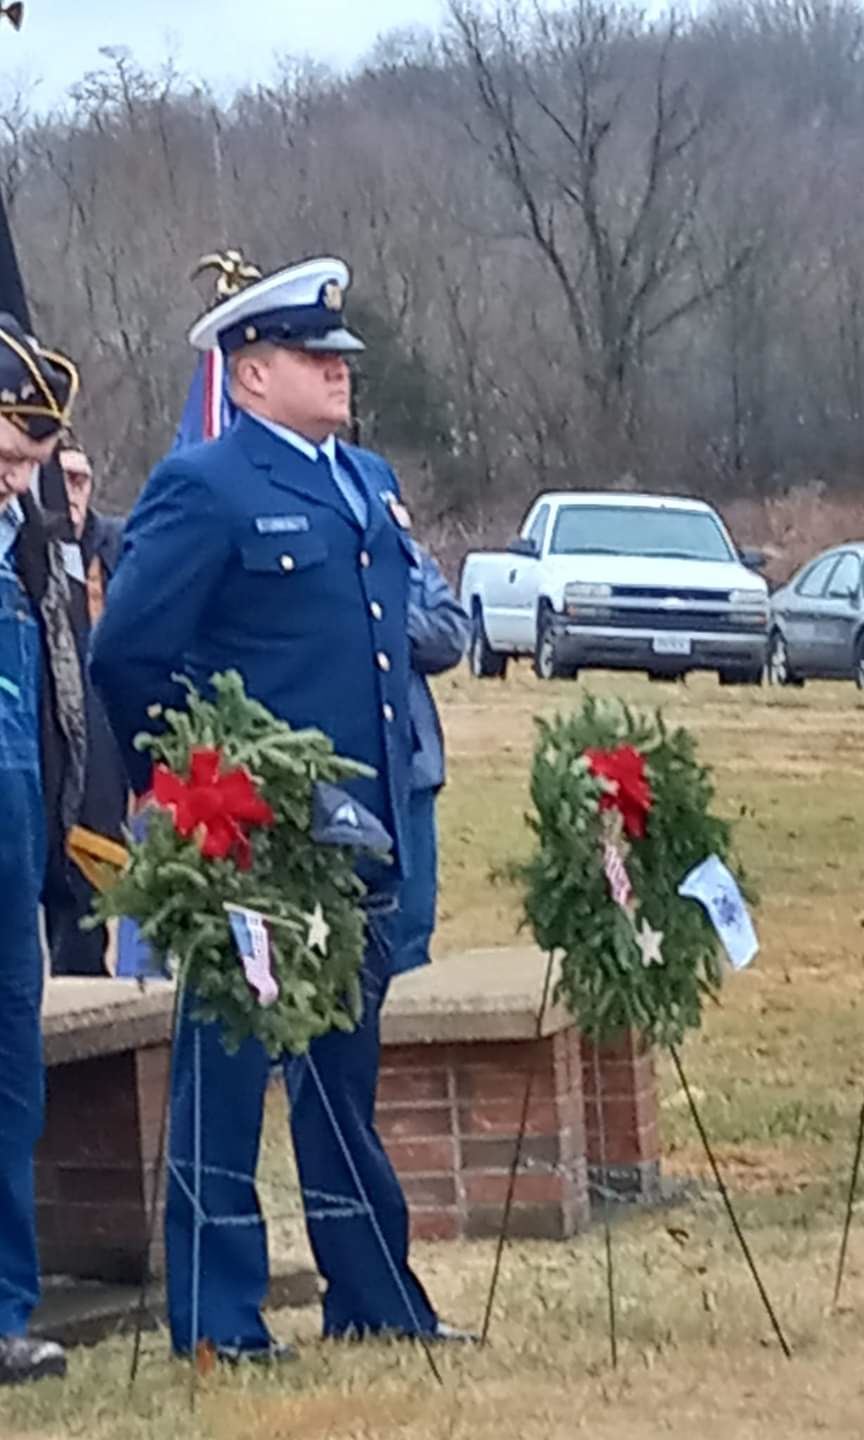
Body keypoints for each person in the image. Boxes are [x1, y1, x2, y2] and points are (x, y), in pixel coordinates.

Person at [90, 256, 465, 1361]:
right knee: (226, 1077)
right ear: (248, 376)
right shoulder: (208, 486)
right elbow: (128, 650)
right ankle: (219, 1323)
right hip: (251, 842)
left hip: (362, 827)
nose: (339, 373)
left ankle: (375, 1299)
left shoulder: (363, 479)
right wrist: (207, 778)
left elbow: (391, 646)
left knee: (343, 1080)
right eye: (313, 358)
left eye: (341, 357)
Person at [0, 314, 81, 1385]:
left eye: (27, 461)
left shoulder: (25, 567)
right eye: (4, 456)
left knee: (14, 1084)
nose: (16, 483)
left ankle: (5, 1308)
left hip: (13, 867)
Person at [41, 433, 127, 976]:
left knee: (85, 910)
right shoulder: (24, 545)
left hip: (103, 744)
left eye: (81, 480)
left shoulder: (119, 545)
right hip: (38, 732)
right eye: (62, 478)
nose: (72, 492)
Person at [392, 541, 468, 975]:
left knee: (411, 932)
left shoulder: (407, 555)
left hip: (413, 772)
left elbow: (452, 635)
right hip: (332, 776)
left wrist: (387, 617)